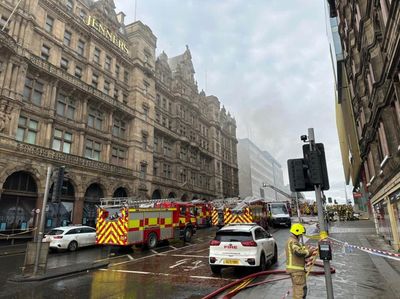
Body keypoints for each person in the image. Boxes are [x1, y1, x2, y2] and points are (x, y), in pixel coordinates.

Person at [285, 223, 317, 299]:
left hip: (294, 271)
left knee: (296, 292)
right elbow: (298, 252)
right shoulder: (293, 241)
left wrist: (307, 248)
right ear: (297, 233)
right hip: (297, 271)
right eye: (300, 234)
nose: (301, 236)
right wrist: (310, 252)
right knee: (300, 292)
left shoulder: (291, 240)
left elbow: (299, 249)